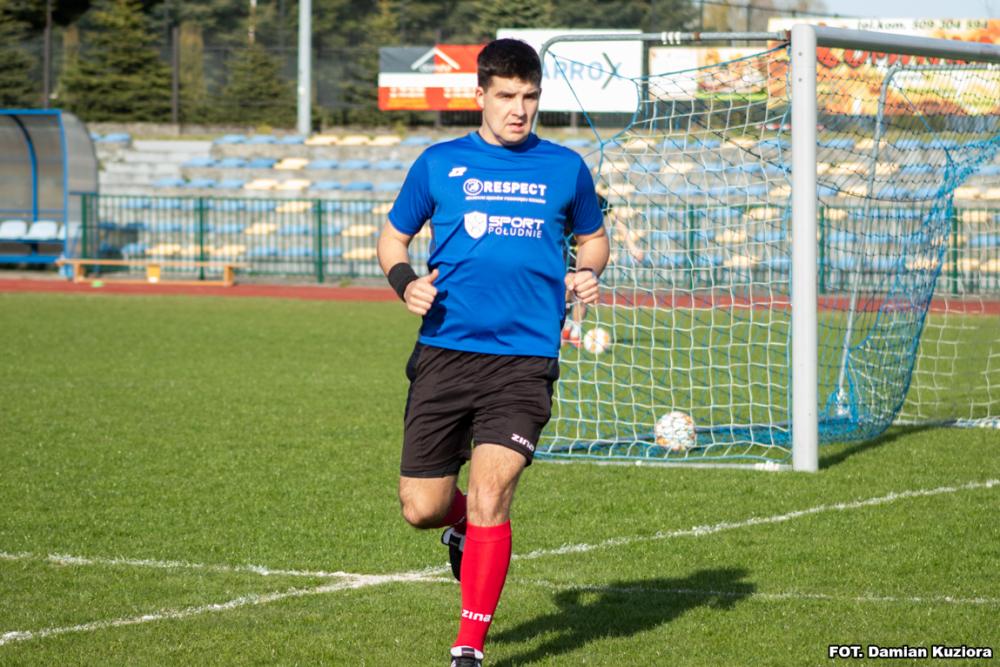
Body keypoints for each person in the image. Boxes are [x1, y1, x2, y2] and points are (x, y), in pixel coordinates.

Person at [376, 38, 610, 667]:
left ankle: (469, 647)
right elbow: (393, 239)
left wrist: (587, 272)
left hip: (523, 361)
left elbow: (594, 238)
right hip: (444, 352)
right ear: (479, 95)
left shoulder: (565, 168)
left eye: (529, 97)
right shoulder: (438, 163)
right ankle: (457, 528)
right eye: (506, 96)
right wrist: (406, 283)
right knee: (422, 507)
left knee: (492, 494)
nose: (519, 109)